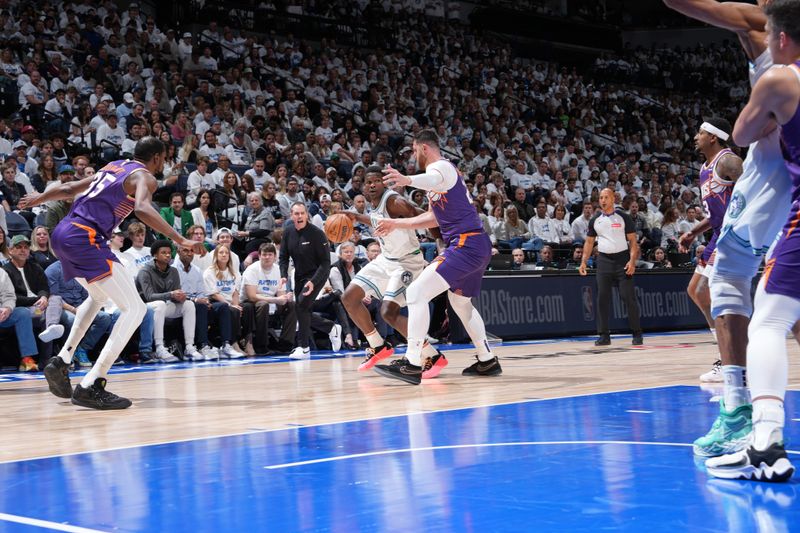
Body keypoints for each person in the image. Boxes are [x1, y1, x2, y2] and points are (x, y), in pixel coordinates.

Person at [666, 0, 794, 460]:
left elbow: (705, 8)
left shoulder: (764, 26)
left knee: (732, 279)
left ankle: (740, 410)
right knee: (783, 297)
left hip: (774, 166)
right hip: (785, 168)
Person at [19, 137, 205, 410]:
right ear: (156, 158)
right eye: (164, 157)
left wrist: (39, 198)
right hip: (85, 237)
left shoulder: (114, 166)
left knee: (96, 296)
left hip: (64, 233)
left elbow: (70, 188)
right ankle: (93, 383)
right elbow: (142, 208)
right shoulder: (145, 177)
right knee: (136, 310)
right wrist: (180, 239)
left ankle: (62, 359)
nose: (164, 162)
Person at [706, 0, 800, 482]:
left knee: (765, 312)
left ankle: (753, 425)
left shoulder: (775, 60)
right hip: (776, 187)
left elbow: (741, 133)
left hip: (774, 182)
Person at [374, 129, 501, 384]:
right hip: (475, 244)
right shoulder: (437, 180)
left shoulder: (442, 168)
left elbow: (430, 179)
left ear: (423, 148)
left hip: (466, 243)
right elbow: (433, 218)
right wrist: (395, 223)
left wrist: (406, 180)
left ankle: (412, 363)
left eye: (413, 150)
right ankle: (487, 360)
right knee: (460, 304)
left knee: (416, 293)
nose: (412, 155)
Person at [342, 166, 446, 377]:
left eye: (376, 181)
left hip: (407, 263)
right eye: (368, 182)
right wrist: (355, 217)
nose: (371, 185)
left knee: (388, 312)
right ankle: (377, 345)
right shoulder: (373, 204)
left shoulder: (395, 201)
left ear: (384, 183)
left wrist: (441, 246)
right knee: (349, 297)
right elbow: (377, 221)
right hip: (386, 260)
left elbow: (425, 217)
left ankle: (433, 356)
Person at [680, 118, 742, 386]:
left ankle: (735, 362)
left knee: (710, 292)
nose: (696, 137)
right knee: (695, 290)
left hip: (732, 235)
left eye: (701, 133)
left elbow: (752, 191)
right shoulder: (704, 169)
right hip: (717, 233)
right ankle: (725, 356)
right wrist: (694, 231)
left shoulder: (728, 161)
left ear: (713, 137)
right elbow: (716, 212)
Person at [579, 188, 643, 346]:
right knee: (602, 298)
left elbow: (633, 242)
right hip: (604, 261)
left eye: (606, 197)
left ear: (613, 199)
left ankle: (637, 333)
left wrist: (632, 261)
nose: (603, 200)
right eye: (600, 197)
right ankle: (604, 335)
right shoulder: (595, 220)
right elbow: (588, 242)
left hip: (622, 260)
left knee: (628, 297)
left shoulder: (623, 217)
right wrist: (583, 261)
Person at [278, 202, 341, 359]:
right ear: (291, 215)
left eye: (302, 213)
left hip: (317, 275)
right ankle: (331, 328)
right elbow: (283, 256)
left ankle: (304, 348)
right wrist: (283, 275)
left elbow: (326, 262)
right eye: (296, 214)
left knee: (301, 307)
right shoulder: (287, 232)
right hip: (299, 275)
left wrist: (314, 281)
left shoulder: (317, 233)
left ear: (306, 215)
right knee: (301, 309)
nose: (299, 216)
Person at [137, 239, 202, 362]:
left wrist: (181, 297)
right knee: (160, 304)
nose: (167, 255)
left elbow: (175, 293)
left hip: (165, 306)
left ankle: (189, 347)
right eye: (163, 253)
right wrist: (171, 294)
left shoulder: (173, 271)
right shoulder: (144, 271)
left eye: (169, 252)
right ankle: (159, 348)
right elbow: (149, 296)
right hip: (146, 308)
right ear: (155, 255)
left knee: (188, 304)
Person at [240, 242, 296, 354]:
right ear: (259, 256)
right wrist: (275, 300)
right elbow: (251, 296)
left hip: (271, 300)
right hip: (250, 303)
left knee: (292, 305)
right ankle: (261, 346)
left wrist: (286, 297)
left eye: (270, 254)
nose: (267, 257)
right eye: (264, 255)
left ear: (275, 257)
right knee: (263, 304)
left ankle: (285, 344)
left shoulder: (279, 270)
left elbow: (280, 294)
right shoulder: (252, 270)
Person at [203, 244, 246, 358]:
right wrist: (231, 305)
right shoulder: (209, 272)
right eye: (221, 252)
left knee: (246, 308)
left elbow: (235, 292)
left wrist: (235, 305)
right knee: (228, 308)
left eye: (226, 253)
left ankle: (246, 342)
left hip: (230, 302)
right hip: (215, 303)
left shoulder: (235, 273)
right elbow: (214, 294)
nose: (224, 255)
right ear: (216, 255)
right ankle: (229, 344)